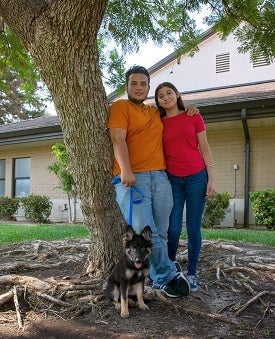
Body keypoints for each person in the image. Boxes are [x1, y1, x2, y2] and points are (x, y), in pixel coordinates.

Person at [108, 65, 197, 298]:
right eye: (134, 83)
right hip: (132, 180)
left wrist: (189, 108)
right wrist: (126, 170)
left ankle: (158, 277)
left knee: (162, 233)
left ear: (148, 87)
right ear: (126, 86)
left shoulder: (153, 112)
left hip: (161, 177)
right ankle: (169, 276)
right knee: (147, 233)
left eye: (143, 84)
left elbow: (173, 112)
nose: (139, 87)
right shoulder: (120, 107)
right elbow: (118, 139)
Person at [155, 82, 215, 292]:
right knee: (172, 228)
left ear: (177, 94)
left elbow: (205, 147)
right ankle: (170, 270)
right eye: (161, 95)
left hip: (197, 177)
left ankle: (191, 273)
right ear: (158, 101)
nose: (165, 97)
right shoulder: (158, 122)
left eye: (169, 93)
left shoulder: (193, 116)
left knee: (192, 227)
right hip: (173, 179)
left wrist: (211, 177)